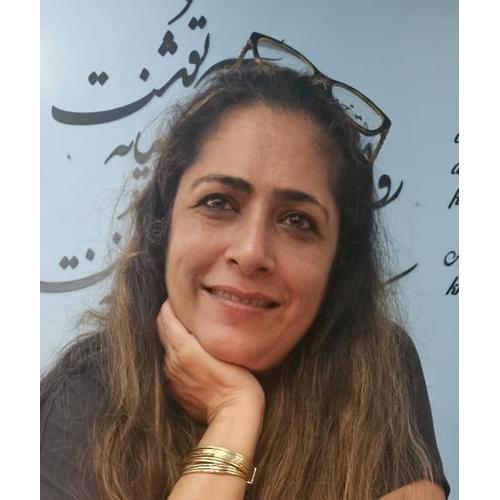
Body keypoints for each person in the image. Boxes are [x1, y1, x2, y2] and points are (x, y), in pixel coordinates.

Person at [41, 33, 450, 500]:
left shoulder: (377, 362)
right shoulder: (84, 392)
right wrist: (234, 414)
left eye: (298, 221)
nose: (252, 251)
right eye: (218, 202)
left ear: (338, 262)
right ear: (164, 226)